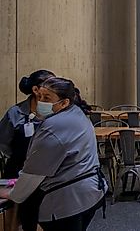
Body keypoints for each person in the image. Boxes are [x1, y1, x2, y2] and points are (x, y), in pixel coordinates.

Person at [0, 77, 106, 231]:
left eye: (47, 98)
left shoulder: (53, 128)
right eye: (40, 97)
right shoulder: (77, 114)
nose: (41, 102)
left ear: (64, 102)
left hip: (67, 200)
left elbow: (33, 173)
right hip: (89, 192)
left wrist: (10, 193)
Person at [0, 69, 56, 231]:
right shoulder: (15, 113)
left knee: (44, 214)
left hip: (46, 171)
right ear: (36, 90)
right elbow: (3, 142)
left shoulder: (54, 112)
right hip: (19, 170)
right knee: (22, 214)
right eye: (50, 84)